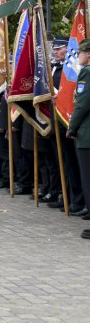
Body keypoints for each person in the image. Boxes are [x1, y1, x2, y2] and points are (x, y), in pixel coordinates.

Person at [64, 39, 90, 239]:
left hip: (87, 136)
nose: (78, 56)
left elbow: (81, 105)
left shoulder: (87, 73)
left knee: (87, 179)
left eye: (80, 53)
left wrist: (71, 127)